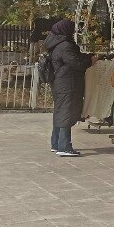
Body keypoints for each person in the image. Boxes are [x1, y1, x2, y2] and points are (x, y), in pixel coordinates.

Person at [43, 19, 96, 156]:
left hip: (60, 83)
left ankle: (56, 143)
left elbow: (71, 59)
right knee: (66, 113)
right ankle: (64, 147)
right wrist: (90, 61)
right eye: (72, 29)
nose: (73, 31)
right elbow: (76, 63)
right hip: (68, 83)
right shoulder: (65, 45)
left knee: (60, 112)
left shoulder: (56, 44)